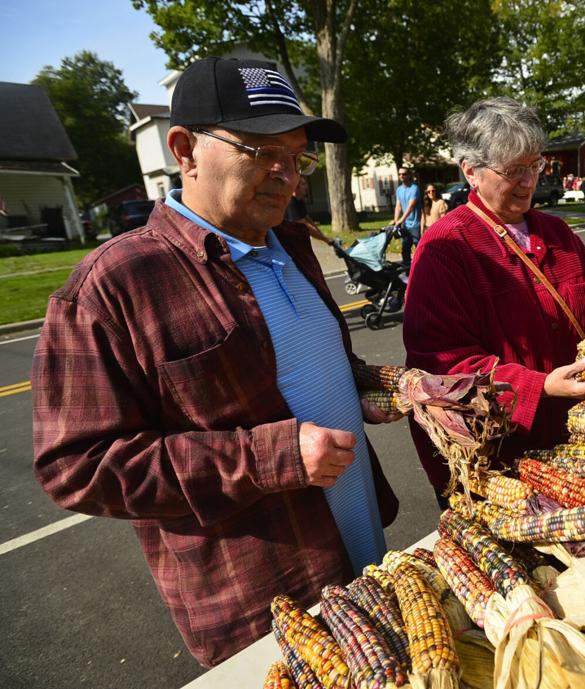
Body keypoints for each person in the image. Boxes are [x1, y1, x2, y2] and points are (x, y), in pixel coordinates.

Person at [31, 57, 400, 668]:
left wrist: (401, 387)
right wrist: (270, 456)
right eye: (260, 150)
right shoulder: (114, 283)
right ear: (185, 150)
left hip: (363, 547)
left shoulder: (294, 244)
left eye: (298, 154)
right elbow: (76, 466)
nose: (287, 174)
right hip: (272, 600)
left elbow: (316, 370)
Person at [403, 97, 585, 501]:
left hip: (579, 443)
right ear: (470, 171)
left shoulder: (557, 233)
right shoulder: (445, 247)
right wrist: (540, 386)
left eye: (535, 165)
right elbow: (443, 367)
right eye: (513, 170)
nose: (529, 181)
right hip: (502, 463)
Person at [284, 177, 333, 245]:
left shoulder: (299, 200)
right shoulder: (291, 202)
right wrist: (325, 239)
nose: (306, 187)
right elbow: (304, 225)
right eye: (303, 184)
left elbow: (308, 219)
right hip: (287, 242)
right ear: (296, 186)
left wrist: (324, 236)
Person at [392, 166, 421, 266]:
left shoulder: (414, 188)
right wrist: (396, 220)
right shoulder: (399, 189)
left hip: (415, 224)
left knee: (419, 247)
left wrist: (401, 219)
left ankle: (424, 267)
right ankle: (408, 269)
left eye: (404, 174)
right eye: (399, 174)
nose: (401, 176)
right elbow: (398, 206)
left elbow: (411, 206)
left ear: (408, 175)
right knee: (405, 248)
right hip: (405, 224)